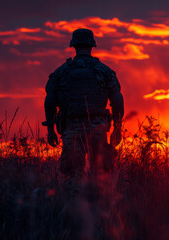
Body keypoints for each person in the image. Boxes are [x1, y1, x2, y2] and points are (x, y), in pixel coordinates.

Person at [42, 28, 124, 177]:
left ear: (74, 45)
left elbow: (50, 100)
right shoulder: (104, 71)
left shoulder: (61, 72)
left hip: (72, 129)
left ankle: (75, 200)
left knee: (73, 177)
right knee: (101, 177)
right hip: (97, 129)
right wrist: (117, 128)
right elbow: (117, 99)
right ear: (92, 45)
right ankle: (98, 200)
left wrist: (50, 129)